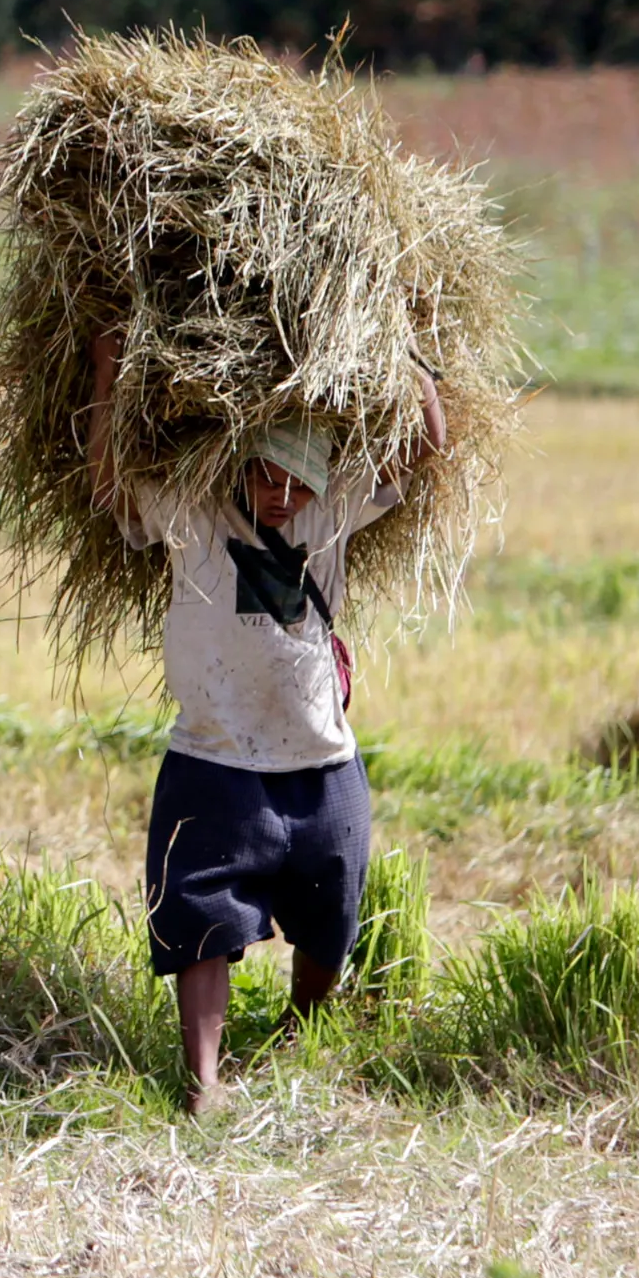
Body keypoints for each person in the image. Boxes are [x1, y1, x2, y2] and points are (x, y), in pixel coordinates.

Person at [86, 325, 445, 1114]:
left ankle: (299, 1036)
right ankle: (203, 1081)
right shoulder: (194, 512)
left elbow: (424, 447)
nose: (284, 497)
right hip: (214, 755)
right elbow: (109, 485)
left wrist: (409, 358)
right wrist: (109, 369)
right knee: (201, 916)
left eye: (301, 484)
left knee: (332, 912)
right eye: (269, 478)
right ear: (239, 467)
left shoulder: (333, 516)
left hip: (321, 758)